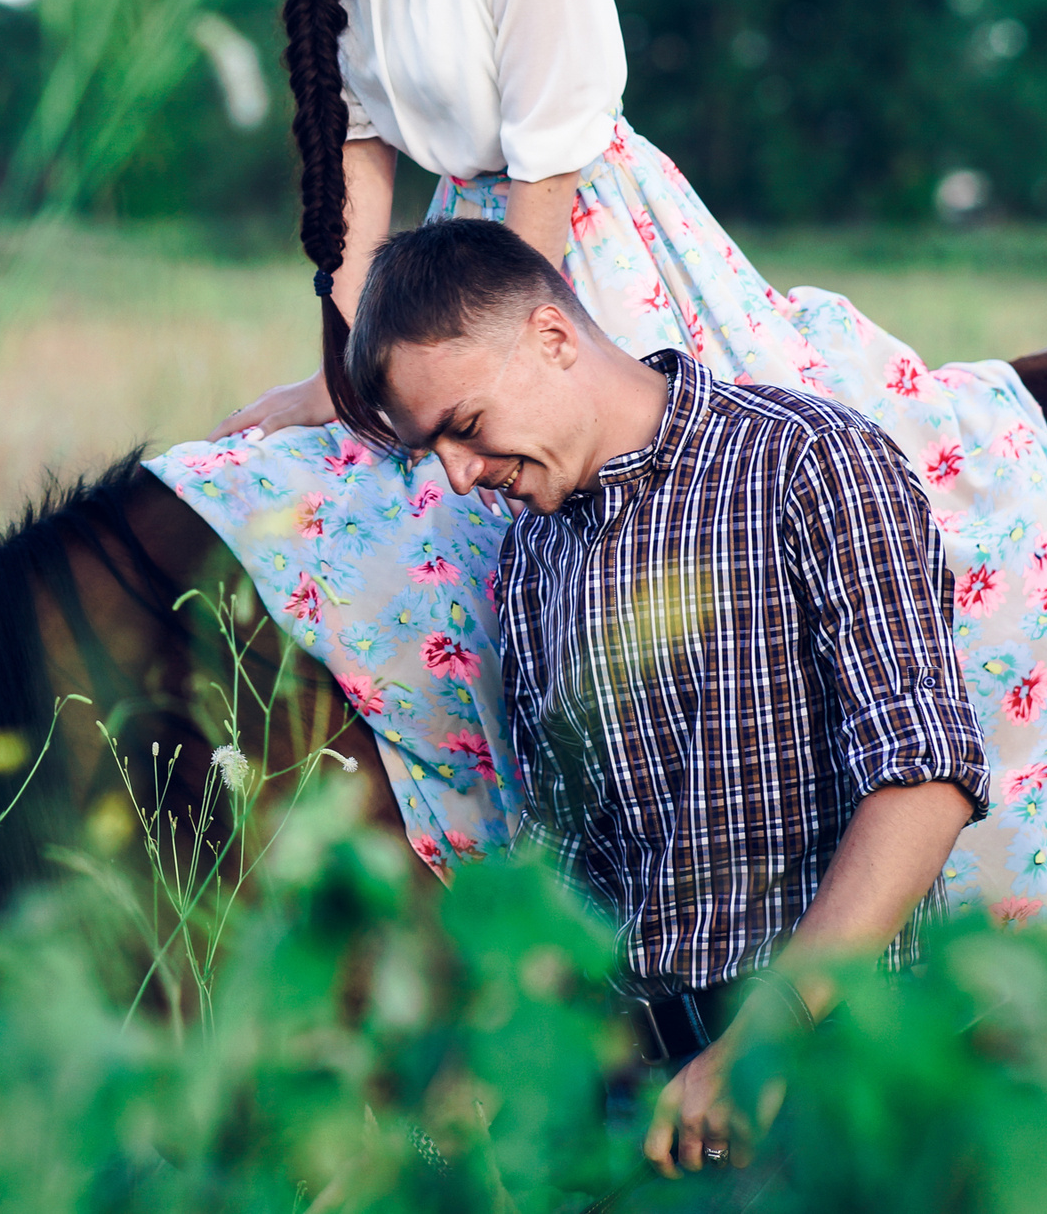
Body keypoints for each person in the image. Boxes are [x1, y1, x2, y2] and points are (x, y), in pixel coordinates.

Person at [142, 0, 1047, 924]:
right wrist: (345, 371)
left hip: (565, 237)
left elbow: (546, 159)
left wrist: (499, 348)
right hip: (452, 248)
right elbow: (352, 153)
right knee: (402, 512)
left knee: (694, 508)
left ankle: (839, 844)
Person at [348, 218, 988, 1176]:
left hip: (826, 1075)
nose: (460, 474)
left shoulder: (808, 463)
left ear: (552, 337)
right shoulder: (534, 557)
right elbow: (576, 868)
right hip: (644, 1110)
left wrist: (767, 1033)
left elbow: (924, 776)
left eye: (465, 426)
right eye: (429, 449)